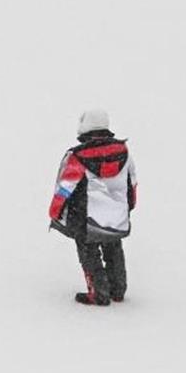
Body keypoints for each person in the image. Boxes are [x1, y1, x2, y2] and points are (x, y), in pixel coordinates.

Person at [48, 109, 139, 306]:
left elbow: (64, 189)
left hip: (86, 220)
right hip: (116, 217)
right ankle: (117, 290)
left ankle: (98, 293)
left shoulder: (77, 156)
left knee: (89, 255)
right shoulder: (124, 153)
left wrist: (54, 213)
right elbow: (132, 185)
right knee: (114, 248)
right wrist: (128, 208)